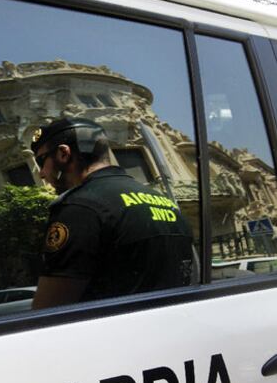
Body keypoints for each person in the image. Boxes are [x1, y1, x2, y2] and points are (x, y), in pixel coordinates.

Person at [31, 117, 193, 309]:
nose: (41, 173)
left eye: (42, 161)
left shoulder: (79, 208)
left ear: (63, 154)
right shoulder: (163, 201)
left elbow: (49, 310)